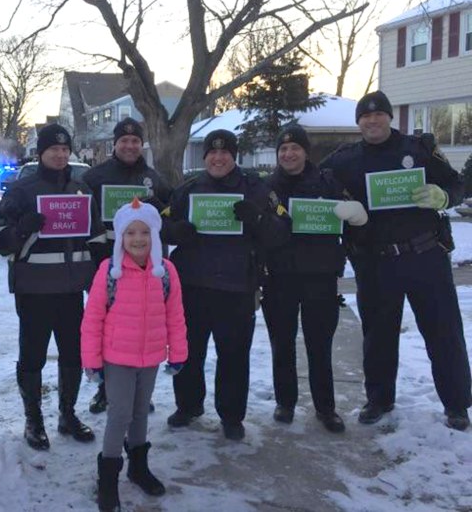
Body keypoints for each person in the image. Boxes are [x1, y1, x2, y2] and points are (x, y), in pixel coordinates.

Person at [321, 90, 471, 431]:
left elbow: (456, 183)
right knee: (378, 336)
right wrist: (340, 208)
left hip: (425, 255)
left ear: (390, 118)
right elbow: (315, 186)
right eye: (365, 116)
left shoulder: (417, 149)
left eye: (379, 115)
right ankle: (379, 399)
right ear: (358, 122)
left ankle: (457, 404)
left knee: (443, 332)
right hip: (375, 262)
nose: (372, 121)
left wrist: (443, 196)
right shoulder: (344, 159)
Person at [164, 129, 290, 440]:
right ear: (205, 156)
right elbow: (162, 223)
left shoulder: (255, 188)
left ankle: (232, 416)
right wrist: (175, 231)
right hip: (193, 287)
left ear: (234, 156)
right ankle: (189, 405)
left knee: (233, 356)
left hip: (237, 287)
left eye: (225, 153)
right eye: (212, 153)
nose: (218, 158)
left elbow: (282, 231)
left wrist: (258, 220)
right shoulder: (189, 189)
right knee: (189, 351)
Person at [0, 123, 106, 451]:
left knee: (72, 354)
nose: (59, 154)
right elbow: (0, 236)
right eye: (52, 149)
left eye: (64, 149)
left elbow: (96, 235)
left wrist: (100, 275)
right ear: (40, 153)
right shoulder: (22, 191)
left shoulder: (80, 189)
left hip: (72, 289)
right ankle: (34, 420)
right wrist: (21, 231)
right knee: (33, 356)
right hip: (34, 289)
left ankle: (67, 415)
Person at [81, 198, 187, 512]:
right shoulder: (109, 272)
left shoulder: (166, 272)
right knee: (120, 414)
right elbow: (93, 318)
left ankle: (138, 467)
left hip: (151, 356)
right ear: (121, 238)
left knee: (141, 411)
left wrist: (178, 352)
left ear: (155, 236)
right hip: (116, 358)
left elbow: (175, 316)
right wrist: (92, 360)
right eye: (130, 233)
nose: (138, 239)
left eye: (144, 232)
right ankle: (108, 477)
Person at [262, 124, 369, 433]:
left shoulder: (328, 182)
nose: (288, 153)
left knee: (319, 346)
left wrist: (355, 214)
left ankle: (326, 408)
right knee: (281, 343)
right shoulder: (266, 187)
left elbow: (354, 227)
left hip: (319, 278)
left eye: (295, 148)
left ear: (305, 152)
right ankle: (285, 402)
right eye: (283, 149)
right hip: (279, 278)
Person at [81, 117, 172, 414]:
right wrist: (95, 261)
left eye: (135, 141)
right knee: (111, 331)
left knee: (138, 329)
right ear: (115, 144)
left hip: (144, 271)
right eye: (124, 141)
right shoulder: (95, 177)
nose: (130, 146)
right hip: (108, 269)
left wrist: (161, 209)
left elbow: (171, 216)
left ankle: (138, 391)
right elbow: (83, 218)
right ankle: (107, 390)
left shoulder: (153, 178)